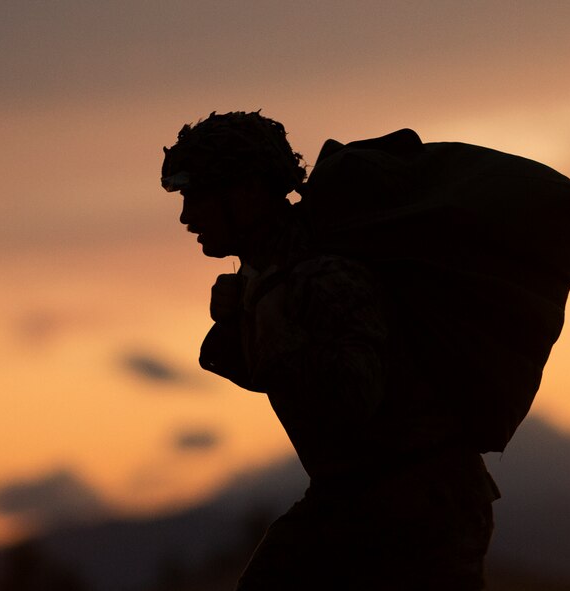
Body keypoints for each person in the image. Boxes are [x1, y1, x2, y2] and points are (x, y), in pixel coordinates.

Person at [162, 111, 498, 590]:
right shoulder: (270, 278)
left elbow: (351, 397)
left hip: (419, 510)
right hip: (353, 501)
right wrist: (239, 323)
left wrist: (269, 326)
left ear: (248, 191)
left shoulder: (324, 274)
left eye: (196, 195)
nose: (186, 216)